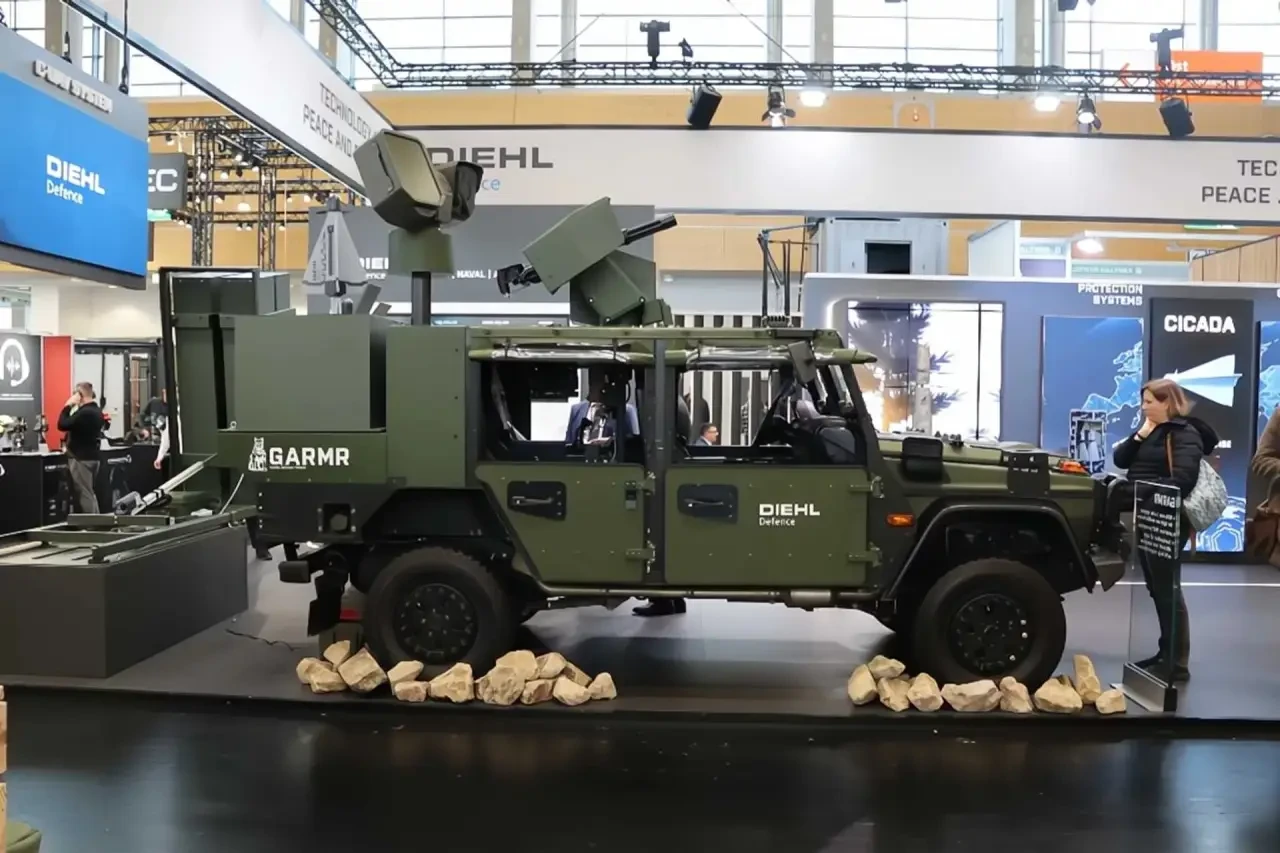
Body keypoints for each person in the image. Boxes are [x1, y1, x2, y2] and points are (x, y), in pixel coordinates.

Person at [1112, 378, 1216, 682]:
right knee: (1157, 587)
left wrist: (1141, 491)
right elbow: (1120, 459)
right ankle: (1165, 652)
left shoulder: (1185, 434)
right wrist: (1140, 435)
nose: (1144, 407)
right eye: (1143, 401)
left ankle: (1176, 661)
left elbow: (1183, 479)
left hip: (1168, 519)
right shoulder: (1152, 432)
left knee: (1167, 588)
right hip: (1150, 516)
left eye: (1149, 402)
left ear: (1167, 403)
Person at [58, 382, 105, 513]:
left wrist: (67, 405)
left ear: (79, 395)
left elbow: (62, 424)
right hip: (94, 457)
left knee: (84, 493)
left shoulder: (84, 413)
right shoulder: (97, 411)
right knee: (90, 492)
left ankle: (91, 522)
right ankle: (98, 520)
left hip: (80, 459)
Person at [564, 375, 639, 446]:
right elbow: (569, 442)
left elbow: (634, 441)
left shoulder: (626, 410)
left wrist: (610, 441)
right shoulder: (577, 409)